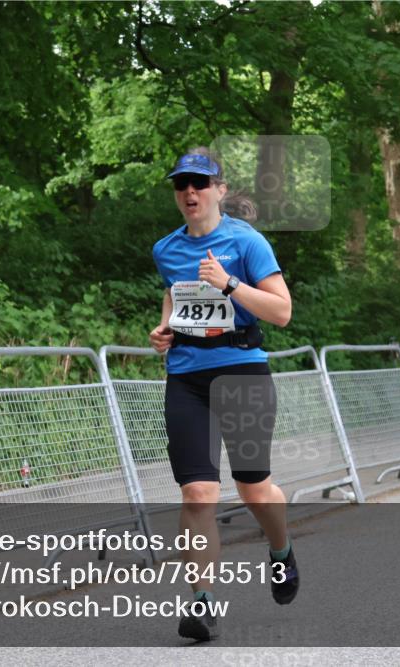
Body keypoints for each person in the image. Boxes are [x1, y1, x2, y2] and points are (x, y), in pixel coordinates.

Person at [149, 149, 298, 641]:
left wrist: (231, 283)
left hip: (242, 374)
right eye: (181, 185)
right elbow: (175, 294)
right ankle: (203, 602)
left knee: (255, 490)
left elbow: (281, 312)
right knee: (197, 493)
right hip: (187, 377)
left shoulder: (246, 241)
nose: (190, 192)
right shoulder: (166, 249)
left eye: (200, 183)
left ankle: (280, 550)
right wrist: (163, 327)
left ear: (220, 190)